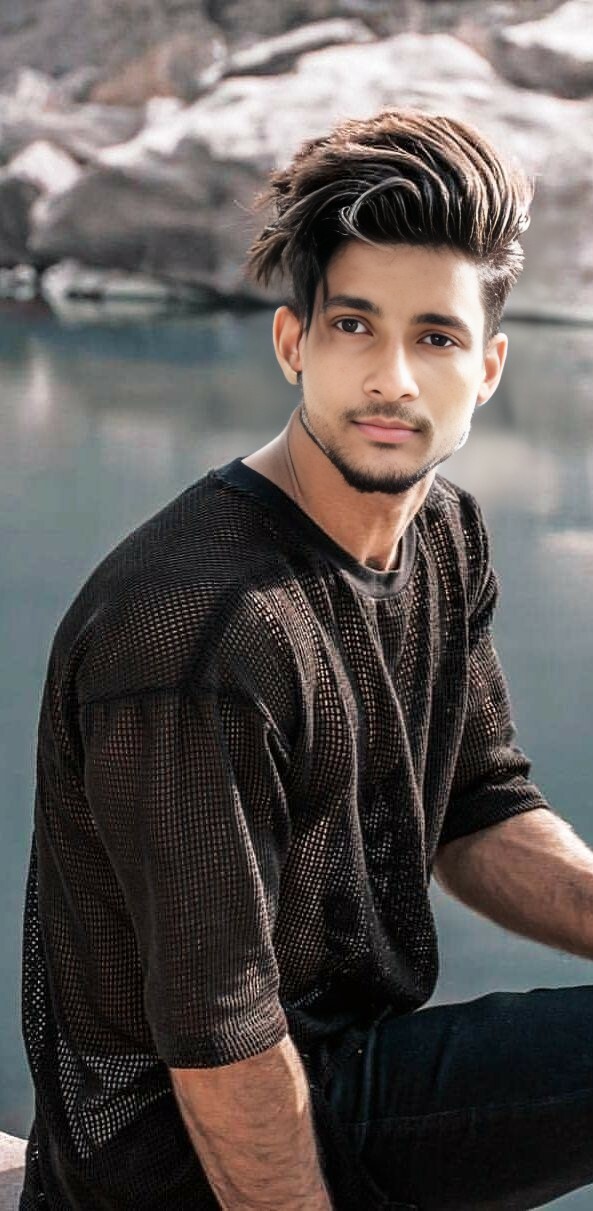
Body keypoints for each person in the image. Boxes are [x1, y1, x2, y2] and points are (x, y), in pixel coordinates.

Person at [18, 106, 593, 1211]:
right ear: (293, 343)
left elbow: (476, 807)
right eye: (353, 326)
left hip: (340, 1064)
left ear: (487, 366)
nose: (393, 378)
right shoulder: (196, 628)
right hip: (173, 1159)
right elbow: (218, 1028)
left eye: (435, 337)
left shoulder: (441, 533)